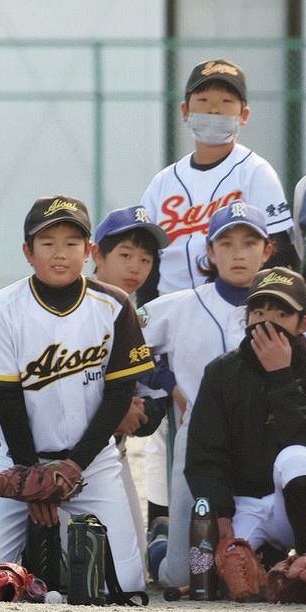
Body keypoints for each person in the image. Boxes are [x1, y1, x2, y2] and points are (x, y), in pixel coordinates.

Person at [0, 196, 153, 593]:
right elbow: (5, 398)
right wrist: (34, 479)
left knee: (126, 586)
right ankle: (38, 553)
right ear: (28, 252)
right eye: (47, 243)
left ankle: (49, 553)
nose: (60, 253)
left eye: (71, 243)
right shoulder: (4, 306)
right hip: (18, 462)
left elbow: (119, 396)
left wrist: (75, 466)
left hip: (91, 465)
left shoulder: (114, 305)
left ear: (89, 251)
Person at [137, 201, 273, 588]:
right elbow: (127, 339)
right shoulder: (181, 306)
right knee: (181, 576)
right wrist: (167, 383)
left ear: (266, 251)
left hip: (266, 449)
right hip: (199, 448)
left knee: (250, 571)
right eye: (226, 244)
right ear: (210, 253)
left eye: (249, 243)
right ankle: (161, 543)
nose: (238, 253)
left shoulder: (283, 307)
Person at [139, 59, 294, 300]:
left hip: (235, 306)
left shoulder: (255, 172)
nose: (214, 110)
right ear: (185, 111)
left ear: (243, 115)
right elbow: (147, 256)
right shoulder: (163, 182)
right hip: (168, 308)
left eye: (226, 101)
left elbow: (280, 253)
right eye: (203, 101)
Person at [186, 268, 306, 566]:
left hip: (302, 506)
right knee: (220, 570)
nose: (267, 324)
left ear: (303, 323)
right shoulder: (222, 372)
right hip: (246, 505)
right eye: (259, 313)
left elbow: (303, 442)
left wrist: (281, 377)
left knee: (294, 457)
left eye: (281, 315)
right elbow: (205, 452)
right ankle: (270, 561)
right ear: (246, 319)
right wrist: (221, 511)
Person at [89, 205, 171, 560]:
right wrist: (115, 411)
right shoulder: (72, 305)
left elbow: (154, 405)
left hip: (112, 454)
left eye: (146, 259)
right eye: (125, 255)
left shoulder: (147, 320)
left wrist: (136, 412)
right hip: (52, 455)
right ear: (97, 254)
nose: (136, 267)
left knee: (130, 566)